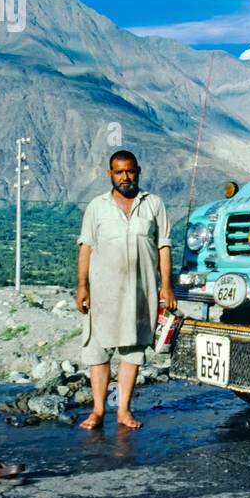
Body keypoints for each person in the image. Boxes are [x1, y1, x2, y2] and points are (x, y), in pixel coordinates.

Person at [75, 150, 176, 430]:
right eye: (119, 172)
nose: (125, 177)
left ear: (138, 171)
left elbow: (163, 247)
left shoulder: (154, 204)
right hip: (103, 291)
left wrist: (166, 286)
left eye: (130, 171)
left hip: (140, 291)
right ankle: (97, 411)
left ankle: (123, 411)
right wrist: (81, 287)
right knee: (98, 350)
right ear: (110, 174)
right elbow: (86, 247)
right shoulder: (97, 206)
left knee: (132, 350)